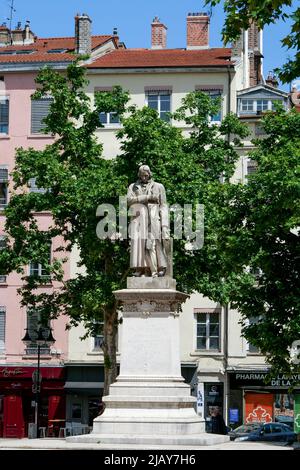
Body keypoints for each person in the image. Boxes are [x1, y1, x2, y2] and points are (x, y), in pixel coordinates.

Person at [127, 165, 169, 277]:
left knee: (155, 244)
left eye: (145, 175)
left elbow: (164, 207)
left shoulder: (159, 187)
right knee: (139, 244)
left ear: (149, 174)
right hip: (139, 218)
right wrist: (146, 198)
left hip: (154, 218)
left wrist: (165, 226)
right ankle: (141, 267)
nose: (144, 177)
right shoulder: (133, 187)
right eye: (141, 175)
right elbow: (128, 200)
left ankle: (161, 267)